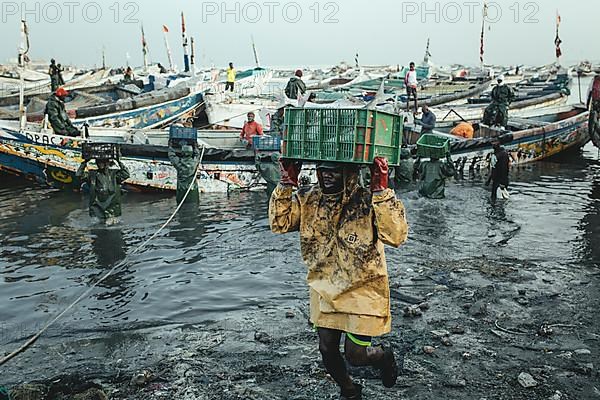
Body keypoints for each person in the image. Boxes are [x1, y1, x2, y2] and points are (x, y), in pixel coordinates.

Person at [270, 158, 409, 400]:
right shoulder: (308, 199)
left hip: (363, 288)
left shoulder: (366, 201)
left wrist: (381, 191)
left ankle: (383, 356)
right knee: (326, 350)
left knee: (356, 355)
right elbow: (280, 224)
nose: (326, 175)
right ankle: (349, 389)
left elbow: (396, 236)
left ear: (350, 172)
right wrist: (285, 184)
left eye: (334, 171)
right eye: (322, 170)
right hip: (324, 285)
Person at [76, 153, 130, 223]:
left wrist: (118, 161)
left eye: (102, 162)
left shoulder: (114, 174)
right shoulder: (92, 175)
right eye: (98, 162)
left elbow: (126, 174)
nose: (100, 164)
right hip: (97, 212)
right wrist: (84, 162)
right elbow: (79, 175)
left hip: (113, 212)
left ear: (107, 163)